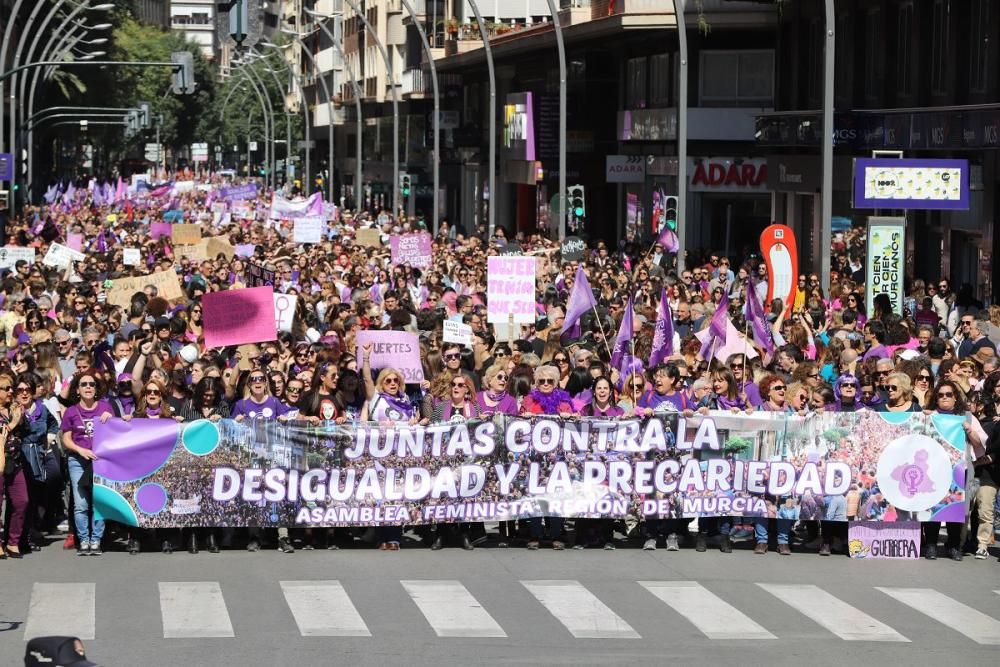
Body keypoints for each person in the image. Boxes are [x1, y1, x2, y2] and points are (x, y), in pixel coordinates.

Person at [60, 370, 114, 556]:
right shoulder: (71, 411)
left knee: (99, 501)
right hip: (78, 461)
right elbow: (65, 440)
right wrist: (81, 450)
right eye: (84, 384)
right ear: (77, 390)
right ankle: (83, 539)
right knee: (81, 503)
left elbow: (117, 434)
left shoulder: (106, 407)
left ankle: (96, 540)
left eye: (92, 384)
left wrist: (111, 420)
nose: (88, 387)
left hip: (101, 461)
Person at [519, 365, 569, 549]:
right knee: (535, 495)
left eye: (550, 381)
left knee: (556, 495)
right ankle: (535, 534)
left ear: (556, 383)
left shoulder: (564, 402)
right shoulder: (529, 401)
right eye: (542, 381)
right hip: (534, 458)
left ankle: (556, 534)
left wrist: (569, 416)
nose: (546, 384)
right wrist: (524, 417)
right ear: (536, 383)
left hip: (557, 458)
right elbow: (517, 423)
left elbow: (576, 421)